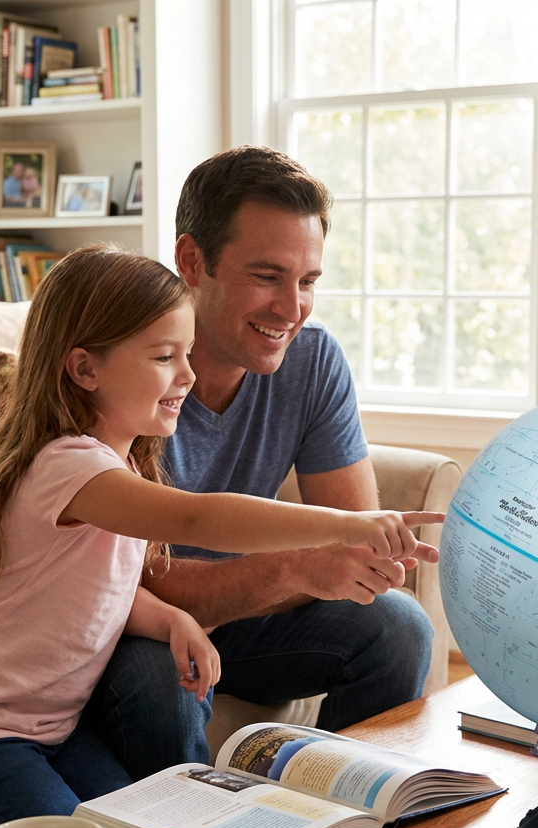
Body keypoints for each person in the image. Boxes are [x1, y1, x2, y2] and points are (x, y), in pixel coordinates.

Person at [0, 244, 441, 828]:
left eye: (186, 354)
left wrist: (172, 619)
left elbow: (100, 589)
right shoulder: (69, 469)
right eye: (164, 357)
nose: (188, 375)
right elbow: (199, 521)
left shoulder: (119, 466)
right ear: (85, 369)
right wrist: (345, 525)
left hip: (52, 729)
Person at [92, 147, 441, 783]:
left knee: (397, 626)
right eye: (266, 276)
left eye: (307, 281)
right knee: (157, 671)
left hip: (248, 620)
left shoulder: (312, 361)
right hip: (136, 623)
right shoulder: (125, 368)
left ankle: (345, 822)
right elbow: (142, 585)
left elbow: (356, 548)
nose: (291, 309)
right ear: (193, 261)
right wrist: (302, 565)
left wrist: (338, 558)